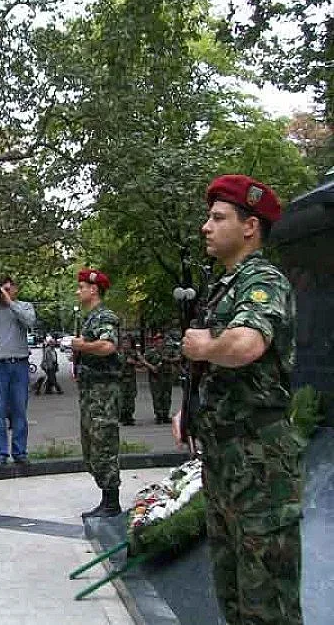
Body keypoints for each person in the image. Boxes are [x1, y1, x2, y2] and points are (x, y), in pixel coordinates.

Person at [175, 174, 303, 624]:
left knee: (267, 605)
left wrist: (206, 346)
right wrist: (188, 407)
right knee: (233, 596)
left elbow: (247, 344)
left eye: (217, 218)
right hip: (227, 464)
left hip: (260, 468)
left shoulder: (263, 280)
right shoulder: (225, 286)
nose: (205, 227)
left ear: (250, 227)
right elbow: (220, 371)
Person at [71, 268, 123, 518]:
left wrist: (82, 346)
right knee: (92, 446)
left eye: (81, 287)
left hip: (103, 393)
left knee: (104, 444)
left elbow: (108, 346)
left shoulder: (105, 316)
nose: (77, 291)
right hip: (91, 391)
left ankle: (112, 503)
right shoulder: (91, 317)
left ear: (94, 290)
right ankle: (106, 499)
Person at [0, 275, 38, 466]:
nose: (3, 293)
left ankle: (20, 452)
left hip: (19, 364)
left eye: (6, 288)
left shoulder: (25, 306)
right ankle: (1, 454)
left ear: (15, 289)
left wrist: (10, 303)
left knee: (19, 410)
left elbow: (30, 322)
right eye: (1, 289)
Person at [142, 332, 179, 423]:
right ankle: (159, 415)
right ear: (155, 342)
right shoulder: (151, 352)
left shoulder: (169, 350)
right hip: (156, 377)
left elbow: (178, 357)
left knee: (167, 396)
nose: (160, 343)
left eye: (161, 341)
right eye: (158, 341)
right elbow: (143, 360)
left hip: (167, 376)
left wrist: (169, 360)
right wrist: (151, 367)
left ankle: (166, 414)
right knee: (157, 396)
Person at [118, 336, 139, 426]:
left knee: (131, 397)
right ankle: (123, 416)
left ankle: (129, 416)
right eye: (124, 343)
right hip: (121, 379)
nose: (126, 345)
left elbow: (142, 362)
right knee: (122, 398)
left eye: (128, 343)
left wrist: (133, 362)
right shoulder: (118, 354)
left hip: (131, 379)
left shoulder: (134, 353)